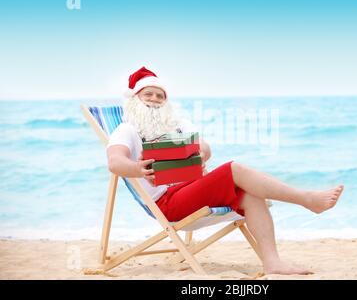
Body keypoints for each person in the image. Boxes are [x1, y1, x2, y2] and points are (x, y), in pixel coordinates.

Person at [107, 66, 344, 275]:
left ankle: (272, 262)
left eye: (161, 95)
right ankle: (306, 199)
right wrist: (137, 168)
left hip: (189, 188)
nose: (155, 99)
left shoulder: (176, 124)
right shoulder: (127, 129)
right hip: (168, 203)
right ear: (135, 99)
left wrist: (200, 155)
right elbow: (115, 162)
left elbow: (205, 148)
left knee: (250, 193)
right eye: (148, 94)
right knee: (234, 169)